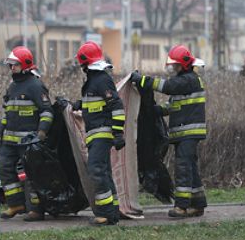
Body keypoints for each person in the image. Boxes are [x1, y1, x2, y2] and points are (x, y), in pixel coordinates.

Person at [130, 45, 207, 218]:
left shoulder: (187, 80)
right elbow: (175, 104)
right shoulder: (187, 79)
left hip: (188, 132)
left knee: (183, 168)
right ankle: (198, 204)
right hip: (185, 133)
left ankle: (181, 206)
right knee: (190, 168)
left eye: (176, 64)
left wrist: (142, 80)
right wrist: (159, 111)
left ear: (185, 65)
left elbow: (167, 86)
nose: (173, 68)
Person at [70, 41, 125, 225]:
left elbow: (116, 105)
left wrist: (118, 133)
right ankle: (113, 211)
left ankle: (105, 214)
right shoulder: (94, 81)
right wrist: (77, 105)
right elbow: (95, 104)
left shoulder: (101, 79)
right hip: (96, 133)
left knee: (96, 170)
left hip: (102, 133)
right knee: (104, 172)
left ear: (86, 63)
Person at [0, 46, 54, 222]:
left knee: (32, 175)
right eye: (10, 65)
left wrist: (42, 132)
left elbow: (47, 111)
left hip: (29, 141)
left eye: (14, 65)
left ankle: (36, 210)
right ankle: (15, 204)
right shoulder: (13, 86)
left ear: (25, 65)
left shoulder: (36, 86)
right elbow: (8, 112)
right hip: (9, 141)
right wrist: (1, 130)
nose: (12, 68)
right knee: (5, 169)